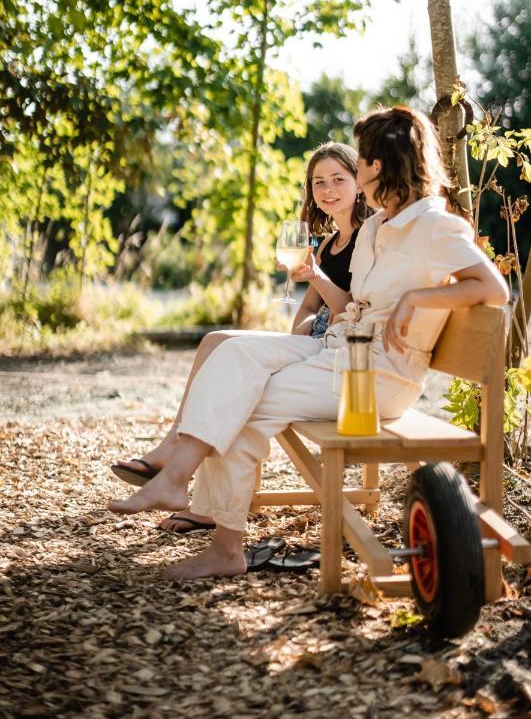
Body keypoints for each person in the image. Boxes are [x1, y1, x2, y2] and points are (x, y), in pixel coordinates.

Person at [108, 105, 508, 580]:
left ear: (378, 165)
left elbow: (493, 289)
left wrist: (418, 299)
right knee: (232, 353)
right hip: (339, 349)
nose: (357, 171)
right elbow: (351, 304)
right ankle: (176, 482)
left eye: (359, 161)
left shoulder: (434, 225)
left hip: (379, 375)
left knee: (246, 403)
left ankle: (221, 543)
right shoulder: (379, 226)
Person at [111, 141, 369, 532]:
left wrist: (315, 277)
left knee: (233, 380)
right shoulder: (329, 243)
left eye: (338, 179)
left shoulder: (367, 239)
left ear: (358, 184)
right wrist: (295, 337)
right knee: (215, 340)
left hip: (334, 350)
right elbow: (306, 309)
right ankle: (171, 448)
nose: (328, 189)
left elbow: (348, 305)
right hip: (312, 342)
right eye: (319, 182)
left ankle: (198, 496)